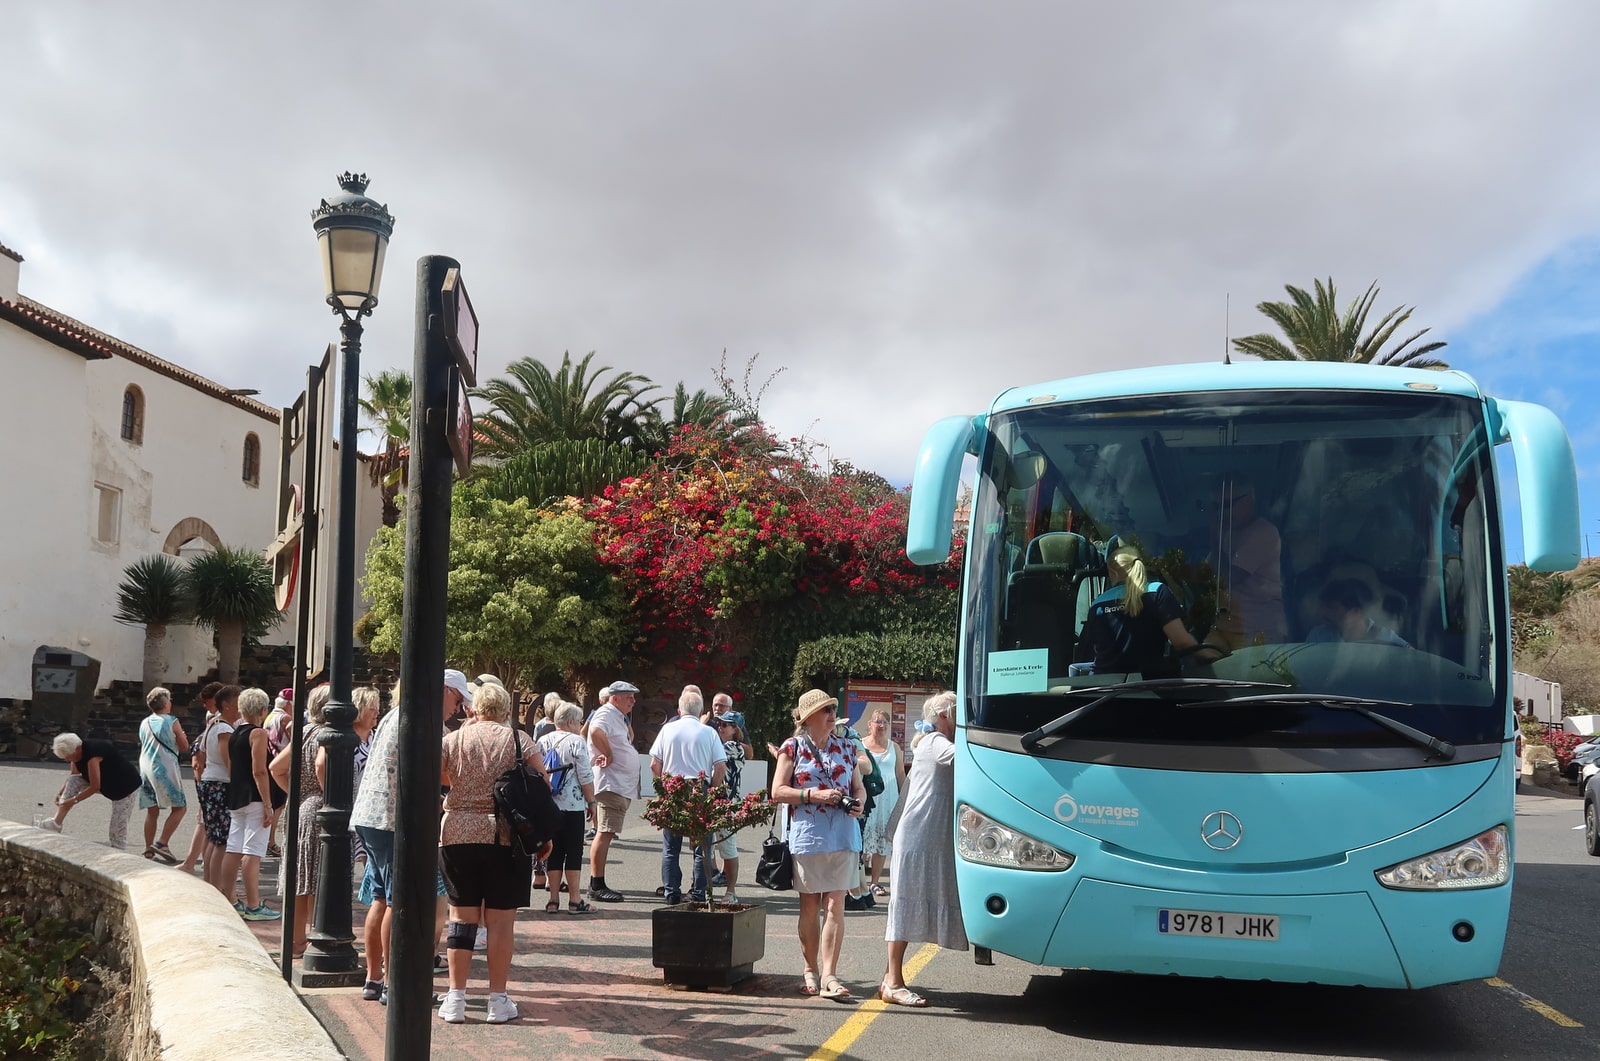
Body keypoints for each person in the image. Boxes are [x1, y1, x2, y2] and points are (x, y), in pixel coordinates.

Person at [438, 679, 548, 1025]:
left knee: (461, 918)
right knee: (500, 922)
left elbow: (440, 778)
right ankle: (497, 1000)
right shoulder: (518, 740)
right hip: (505, 836)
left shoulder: (453, 740)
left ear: (474, 709)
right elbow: (542, 784)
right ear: (505, 710)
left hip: (457, 832)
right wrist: (542, 835)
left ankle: (456, 997)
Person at [773, 688, 867, 1001]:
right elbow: (777, 791)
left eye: (833, 709)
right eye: (826, 710)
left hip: (843, 835)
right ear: (809, 717)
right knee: (811, 906)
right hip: (808, 837)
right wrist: (814, 795)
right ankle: (810, 969)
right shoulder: (792, 747)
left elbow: (859, 787)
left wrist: (859, 803)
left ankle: (830, 974)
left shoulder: (847, 747)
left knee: (836, 905)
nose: (832, 715)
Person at [878, 691, 966, 1007]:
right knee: (904, 904)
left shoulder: (932, 742)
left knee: (909, 903)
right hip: (919, 838)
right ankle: (893, 983)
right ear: (943, 715)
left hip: (926, 837)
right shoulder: (936, 742)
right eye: (958, 709)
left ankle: (890, 978)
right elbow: (967, 758)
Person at [1080, 539, 1221, 674]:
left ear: (1113, 573)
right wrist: (1214, 657)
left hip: (1104, 685)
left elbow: (1092, 650)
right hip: (1148, 684)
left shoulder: (1097, 604)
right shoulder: (1157, 592)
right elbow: (1181, 642)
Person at [269, 683, 333, 958]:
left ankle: (295, 942)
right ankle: (319, 938)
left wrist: (297, 793)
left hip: (300, 808)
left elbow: (275, 768)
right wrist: (327, 794)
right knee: (319, 879)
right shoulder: (326, 735)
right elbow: (321, 765)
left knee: (299, 878)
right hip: (318, 809)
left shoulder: (304, 732)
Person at [649, 686, 727, 905]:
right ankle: (699, 893)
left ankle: (671, 892)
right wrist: (712, 791)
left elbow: (654, 764)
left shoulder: (667, 730)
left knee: (671, 847)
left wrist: (663, 789)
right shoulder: (709, 732)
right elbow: (720, 767)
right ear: (701, 710)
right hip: (699, 787)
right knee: (702, 846)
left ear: (679, 709)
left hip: (674, 787)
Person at [217, 688, 280, 921]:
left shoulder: (235, 733)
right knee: (253, 852)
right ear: (262, 711)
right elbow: (259, 770)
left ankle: (230, 899)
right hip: (254, 796)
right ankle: (254, 905)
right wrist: (268, 804)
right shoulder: (258, 733)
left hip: (237, 796)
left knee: (234, 848)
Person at [1204, 478, 1287, 650]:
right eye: (1216, 507)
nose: (1221, 513)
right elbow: (1207, 576)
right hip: (1227, 629)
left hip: (1258, 633)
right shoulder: (1228, 534)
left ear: (1248, 501)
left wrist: (1214, 537)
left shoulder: (1263, 533)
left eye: (1227, 505)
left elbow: (1227, 579)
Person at [537, 701, 595, 913]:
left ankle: (553, 900)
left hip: (549, 805)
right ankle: (575, 900)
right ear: (570, 722)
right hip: (573, 804)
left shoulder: (542, 740)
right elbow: (585, 775)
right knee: (573, 851)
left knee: (554, 851)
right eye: (579, 721)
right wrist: (591, 802)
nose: (580, 725)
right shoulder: (577, 742)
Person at [586, 679, 641, 903]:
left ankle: (597, 882)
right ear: (615, 698)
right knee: (605, 832)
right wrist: (608, 754)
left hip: (618, 784)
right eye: (629, 697)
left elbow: (627, 738)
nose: (633, 701)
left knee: (606, 832)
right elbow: (595, 731)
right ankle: (596, 885)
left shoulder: (616, 715)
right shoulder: (606, 713)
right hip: (612, 783)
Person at [44, 731, 142, 847]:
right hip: (104, 781)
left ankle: (118, 847)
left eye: (68, 756)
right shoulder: (75, 754)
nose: (67, 760)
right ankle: (56, 823)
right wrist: (60, 793)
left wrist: (74, 800)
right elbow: (74, 775)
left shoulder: (93, 755)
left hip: (124, 786)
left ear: (77, 749)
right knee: (74, 781)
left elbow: (95, 787)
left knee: (118, 823)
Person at [137, 686, 190, 863]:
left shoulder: (145, 722)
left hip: (145, 765)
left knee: (152, 810)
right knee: (180, 807)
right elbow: (184, 746)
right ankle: (162, 842)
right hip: (165, 766)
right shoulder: (171, 721)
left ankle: (148, 848)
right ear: (166, 703)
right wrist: (182, 736)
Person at [858, 707, 906, 898]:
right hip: (867, 797)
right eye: (878, 721)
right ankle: (858, 883)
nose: (882, 725)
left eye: (885, 722)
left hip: (888, 799)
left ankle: (875, 883)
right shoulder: (860, 745)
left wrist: (906, 799)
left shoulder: (894, 748)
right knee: (861, 838)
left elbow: (900, 774)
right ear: (869, 724)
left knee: (882, 840)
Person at [178, 681, 224, 875]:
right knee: (208, 825)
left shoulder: (216, 726)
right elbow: (197, 764)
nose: (205, 705)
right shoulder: (215, 727)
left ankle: (199, 864)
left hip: (210, 783)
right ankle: (195, 864)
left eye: (207, 701)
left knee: (207, 825)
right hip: (213, 783)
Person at [710, 709, 749, 902]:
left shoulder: (733, 747)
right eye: (719, 724)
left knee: (728, 848)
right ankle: (705, 889)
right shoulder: (723, 745)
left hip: (727, 804)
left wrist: (701, 726)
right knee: (708, 847)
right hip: (717, 802)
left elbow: (708, 751)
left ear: (735, 729)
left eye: (725, 725)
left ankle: (731, 892)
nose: (720, 727)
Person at [1307, 579, 1409, 647]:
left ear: (1356, 611)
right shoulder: (1318, 636)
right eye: (1323, 607)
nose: (1323, 612)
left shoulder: (1386, 638)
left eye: (1331, 608)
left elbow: (1410, 658)